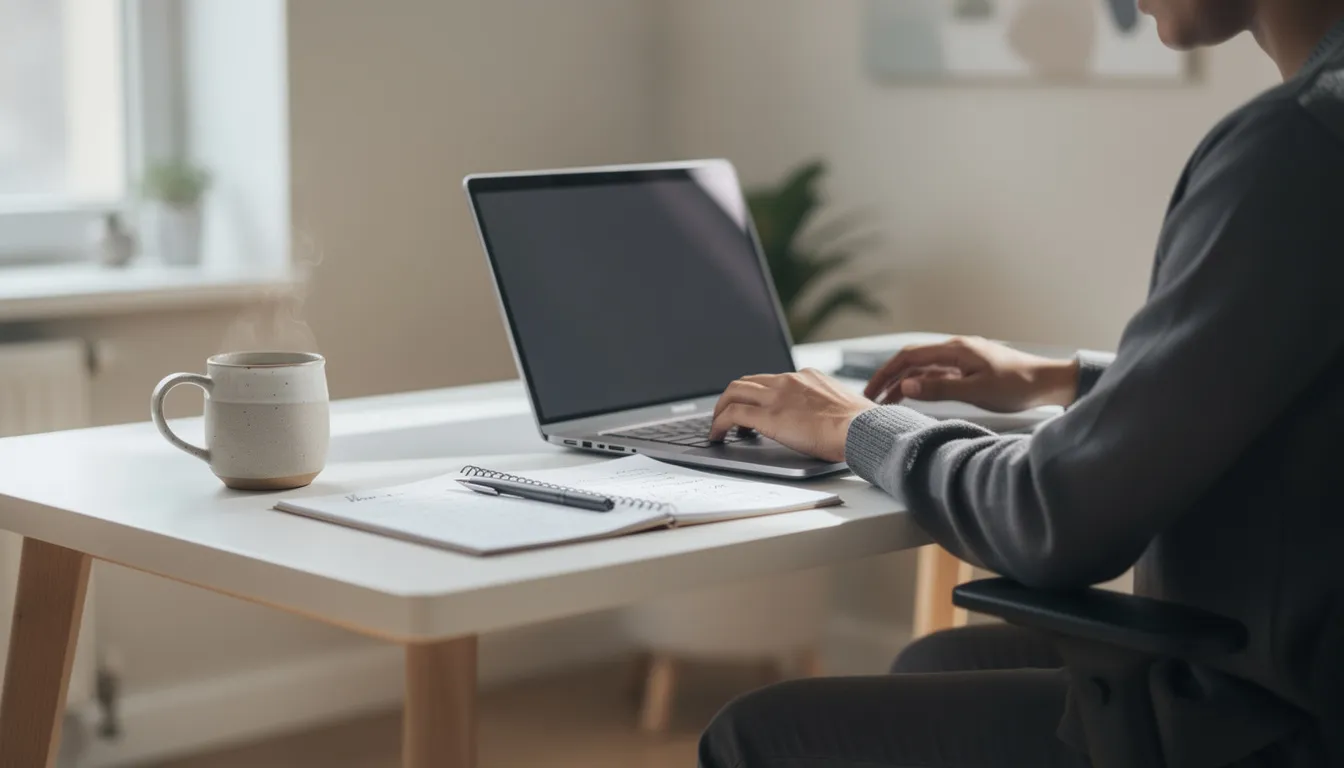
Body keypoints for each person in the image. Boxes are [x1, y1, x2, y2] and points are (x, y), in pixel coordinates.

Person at [698, 1, 1344, 766]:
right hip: (1294, 661)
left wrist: (856, 427)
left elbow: (1055, 517)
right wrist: (1065, 379)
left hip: (1275, 717)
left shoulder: (1298, 145)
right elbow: (1293, 387)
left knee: (756, 737)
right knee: (938, 663)